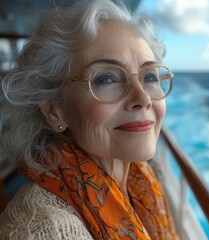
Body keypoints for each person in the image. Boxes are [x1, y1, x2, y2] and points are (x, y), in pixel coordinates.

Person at [0, 0, 178, 239]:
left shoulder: (143, 180)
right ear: (55, 110)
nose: (143, 97)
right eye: (106, 79)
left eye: (150, 76)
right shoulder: (47, 229)